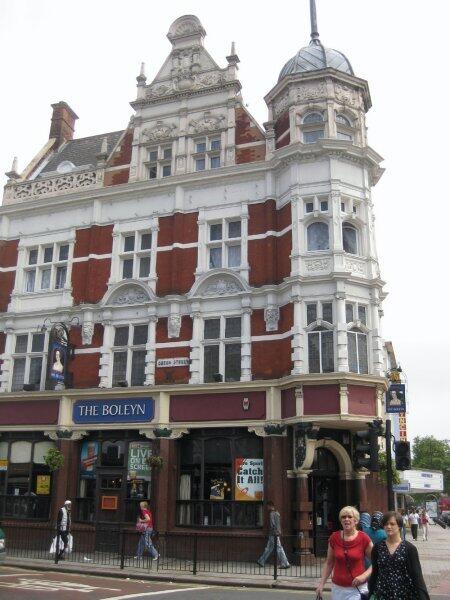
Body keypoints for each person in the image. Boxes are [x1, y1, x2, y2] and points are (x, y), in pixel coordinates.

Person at [368, 511, 430, 599]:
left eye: (392, 524)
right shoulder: (377, 548)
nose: (389, 527)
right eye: (386, 524)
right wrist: (370, 592)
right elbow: (375, 573)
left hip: (404, 594)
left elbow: (417, 576)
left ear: (399, 526)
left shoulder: (409, 548)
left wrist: (423, 596)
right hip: (382, 594)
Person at [316, 506, 372, 600]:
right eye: (343, 517)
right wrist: (321, 584)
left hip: (357, 589)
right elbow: (329, 563)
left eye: (350, 517)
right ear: (341, 520)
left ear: (356, 521)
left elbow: (376, 561)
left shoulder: (364, 538)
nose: (346, 519)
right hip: (338, 589)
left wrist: (364, 576)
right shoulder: (334, 538)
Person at [257, 500, 290, 569]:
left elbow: (273, 525)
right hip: (276, 533)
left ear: (270, 506)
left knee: (278, 548)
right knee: (269, 548)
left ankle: (285, 563)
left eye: (267, 506)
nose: (267, 508)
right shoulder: (277, 513)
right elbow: (278, 524)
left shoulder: (271, 514)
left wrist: (274, 532)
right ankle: (261, 561)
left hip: (274, 534)